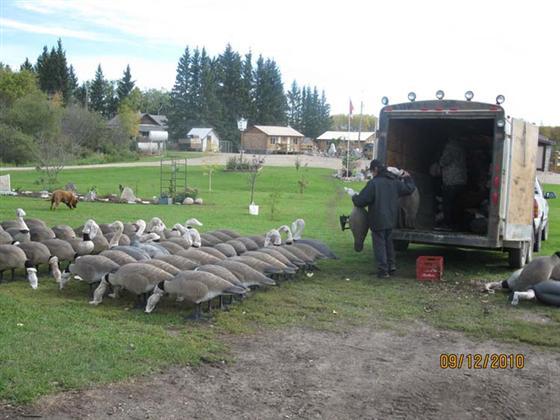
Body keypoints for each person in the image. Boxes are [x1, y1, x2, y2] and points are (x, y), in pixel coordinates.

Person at [350, 160, 416, 278]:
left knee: (379, 244)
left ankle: (383, 270)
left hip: (378, 219)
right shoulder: (394, 182)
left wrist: (354, 196)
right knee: (388, 243)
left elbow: (361, 201)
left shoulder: (373, 183)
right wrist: (408, 178)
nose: (371, 174)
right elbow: (409, 189)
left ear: (375, 169)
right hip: (391, 219)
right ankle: (391, 266)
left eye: (371, 171)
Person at [438, 138, 467, 230]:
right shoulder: (461, 148)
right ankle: (457, 225)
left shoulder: (450, 148)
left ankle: (447, 224)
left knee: (447, 204)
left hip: (451, 180)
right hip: (461, 180)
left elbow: (444, 161)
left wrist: (439, 163)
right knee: (457, 204)